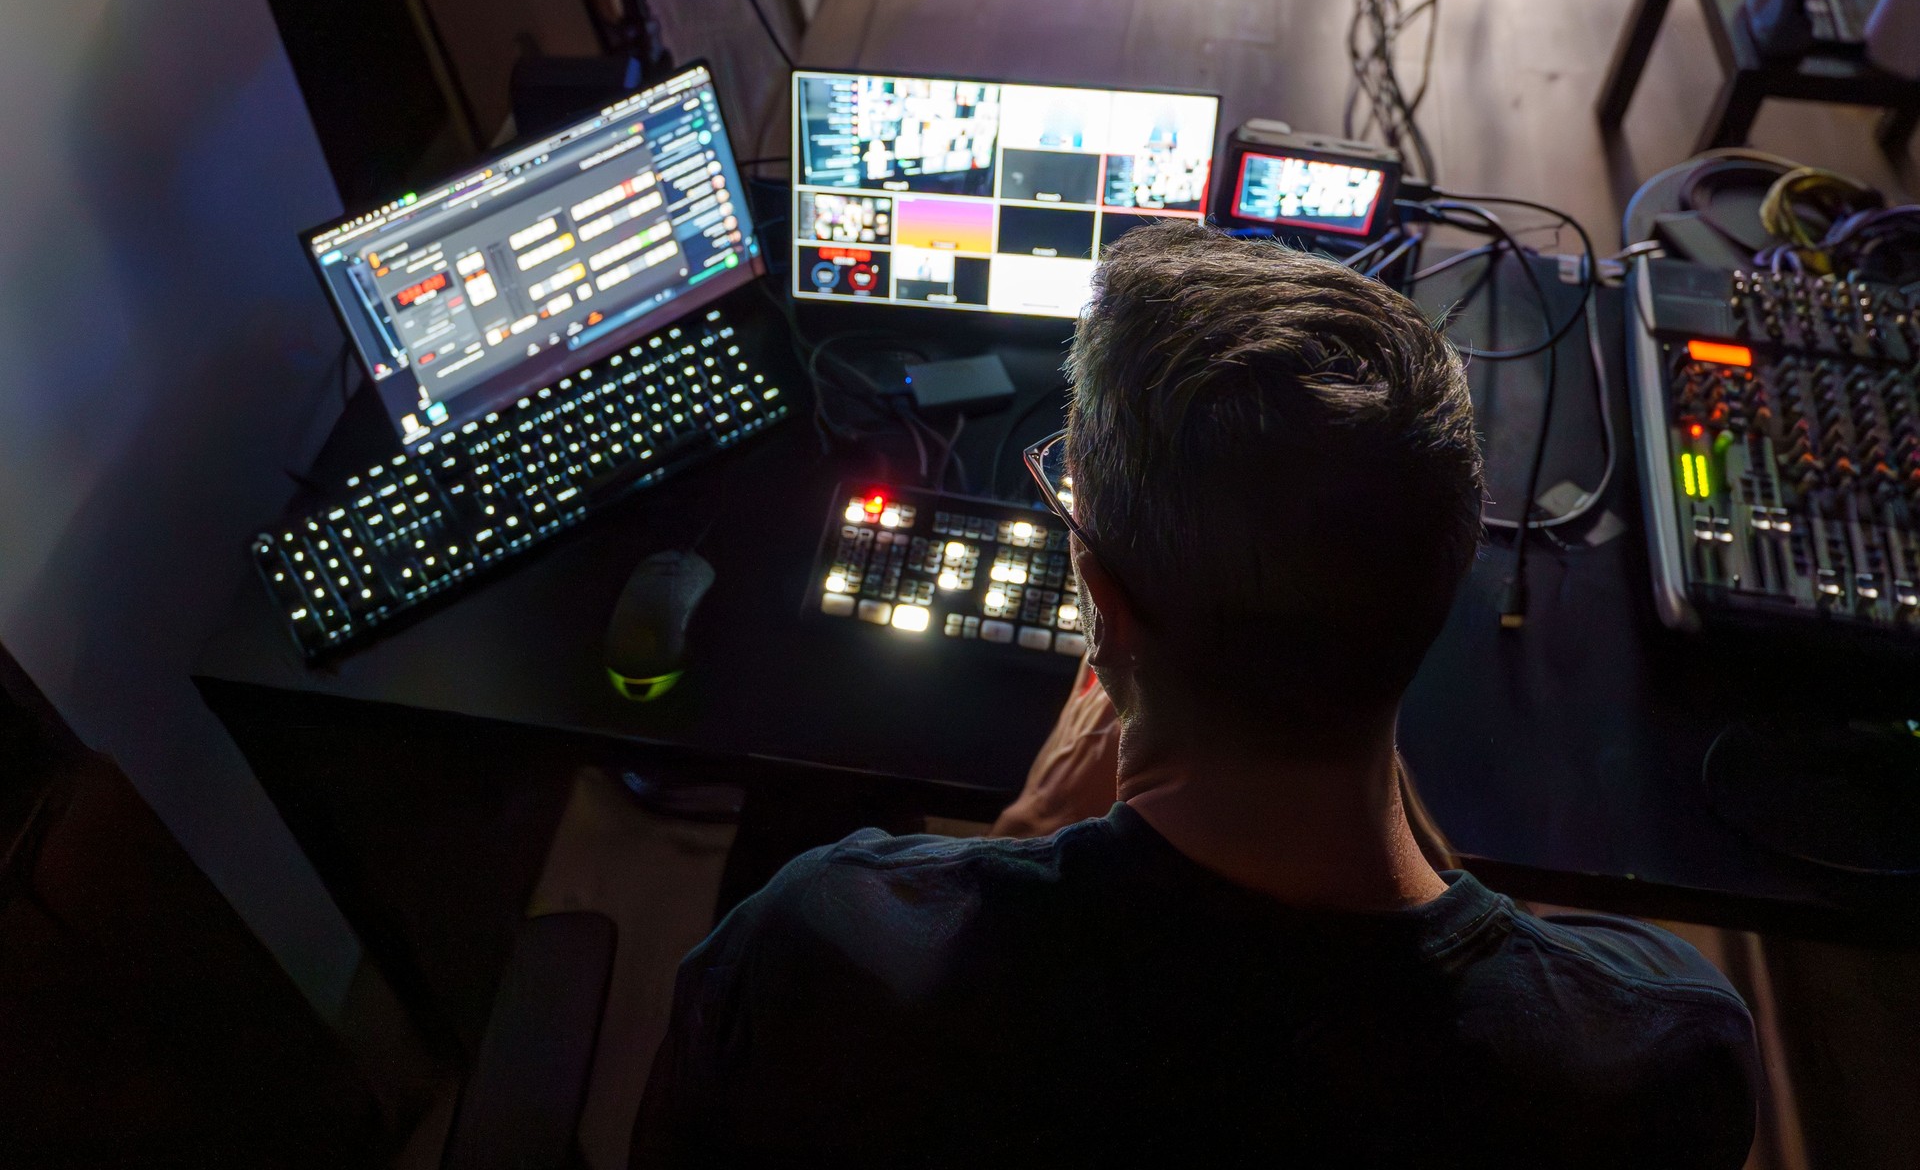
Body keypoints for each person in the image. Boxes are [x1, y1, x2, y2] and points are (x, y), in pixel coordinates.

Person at [632, 220, 1759, 1166]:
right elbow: (1494, 957)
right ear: (1440, 583)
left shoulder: (826, 943)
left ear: (1100, 605)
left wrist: (1017, 846)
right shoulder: (1655, 1046)